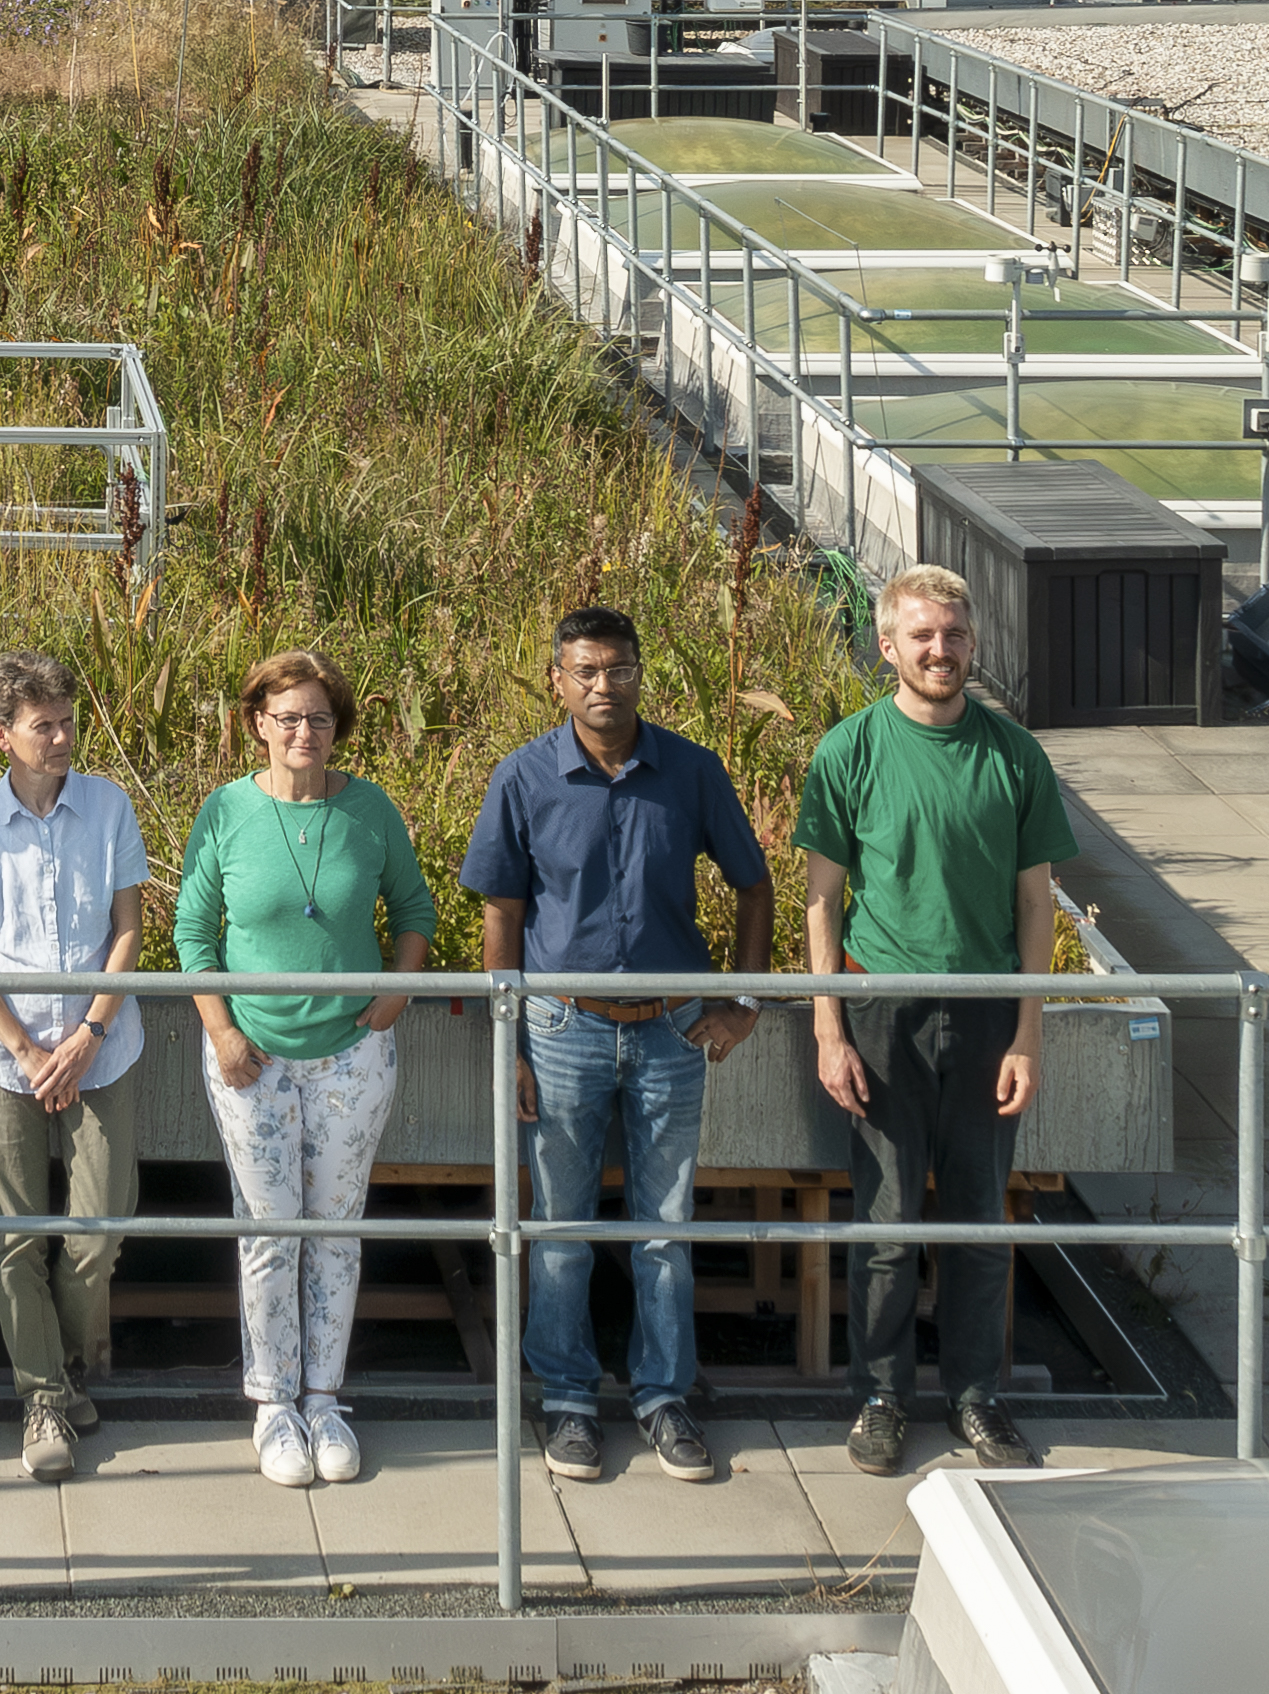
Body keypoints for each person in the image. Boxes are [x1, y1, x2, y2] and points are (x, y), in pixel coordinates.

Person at [461, 604, 774, 1486]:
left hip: (675, 1030)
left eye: (619, 669)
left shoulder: (691, 771)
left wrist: (741, 1002)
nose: (604, 686)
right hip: (561, 1027)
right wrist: (510, 1042)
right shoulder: (522, 778)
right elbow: (502, 915)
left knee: (662, 1227)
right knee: (559, 1228)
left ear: (641, 672)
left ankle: (662, 1398)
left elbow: (755, 886)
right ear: (558, 680)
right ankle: (565, 1403)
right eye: (585, 672)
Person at [800, 560, 1079, 1478]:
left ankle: (974, 1397)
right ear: (886, 646)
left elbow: (1036, 904)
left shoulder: (1014, 757)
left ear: (972, 643)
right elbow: (821, 903)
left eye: (954, 634)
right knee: (883, 1225)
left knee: (975, 1222)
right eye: (921, 634)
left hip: (988, 1013)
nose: (939, 649)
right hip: (883, 1011)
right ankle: (878, 1396)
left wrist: (1029, 1033)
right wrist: (829, 1029)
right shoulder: (850, 751)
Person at [176, 646, 437, 1491]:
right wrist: (218, 1028)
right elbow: (192, 930)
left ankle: (324, 1398)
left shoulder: (369, 810)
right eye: (284, 716)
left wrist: (396, 993)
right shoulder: (223, 811)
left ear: (337, 728)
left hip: (351, 1055)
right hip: (249, 1054)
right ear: (256, 723)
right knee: (267, 1233)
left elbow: (415, 908)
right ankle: (270, 1404)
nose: (302, 732)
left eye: (318, 717)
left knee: (334, 1227)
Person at [0, 652, 151, 1485]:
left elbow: (128, 930)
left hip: (100, 1048)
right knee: (18, 1237)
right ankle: (43, 1398)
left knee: (98, 1231)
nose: (61, 738)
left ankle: (56, 1371)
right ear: (3, 735)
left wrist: (87, 1034)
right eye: (42, 726)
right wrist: (28, 1050)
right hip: (4, 1057)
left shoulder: (108, 806)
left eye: (67, 721)